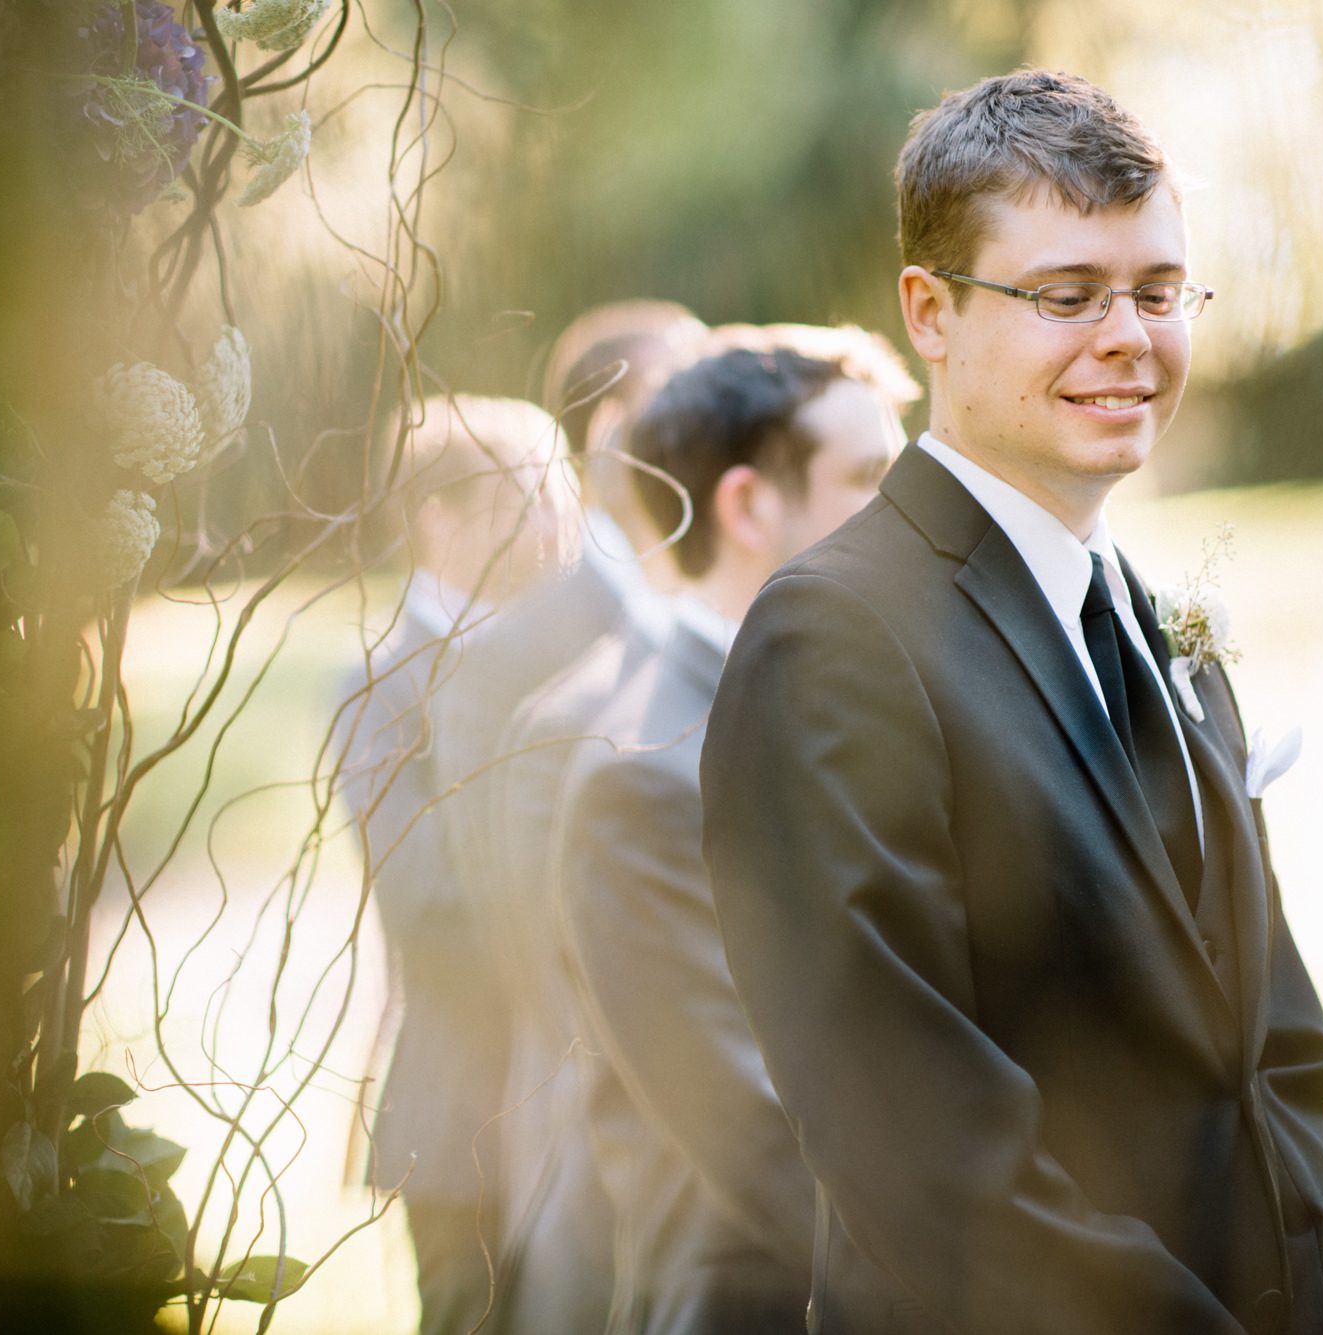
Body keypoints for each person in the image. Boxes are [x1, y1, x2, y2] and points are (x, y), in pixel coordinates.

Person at [701, 70, 1323, 1334]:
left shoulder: (1159, 620)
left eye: (1159, 292)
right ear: (929, 312)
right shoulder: (834, 639)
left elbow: (1268, 1046)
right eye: (1066, 295)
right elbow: (914, 1147)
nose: (1128, 336)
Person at [552, 328, 916, 1333]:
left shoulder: (882, 701)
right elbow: (751, 1127)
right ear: (748, 504)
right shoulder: (642, 777)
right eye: (868, 478)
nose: (908, 513)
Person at [436, 301, 706, 1332]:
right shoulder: (508, 658)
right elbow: (507, 930)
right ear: (613, 430)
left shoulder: (748, 605)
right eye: (685, 387)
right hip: (601, 1144)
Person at [335, 394, 571, 1335]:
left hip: (586, 1123)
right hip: (469, 1111)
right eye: (532, 498)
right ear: (440, 520)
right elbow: (427, 904)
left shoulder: (572, 653)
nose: (563, 524)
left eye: (565, 493)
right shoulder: (384, 688)